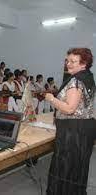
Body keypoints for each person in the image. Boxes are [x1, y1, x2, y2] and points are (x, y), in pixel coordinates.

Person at [45, 48, 96, 195]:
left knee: (65, 164)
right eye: (67, 60)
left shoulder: (76, 81)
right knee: (78, 165)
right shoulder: (88, 78)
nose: (69, 64)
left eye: (73, 61)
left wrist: (51, 99)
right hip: (85, 128)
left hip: (73, 130)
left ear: (83, 64)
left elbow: (70, 109)